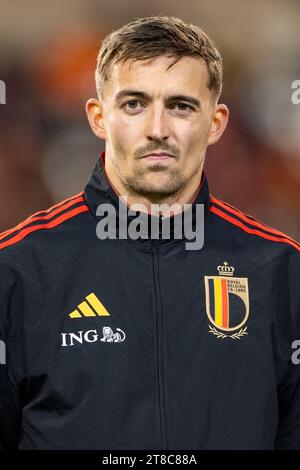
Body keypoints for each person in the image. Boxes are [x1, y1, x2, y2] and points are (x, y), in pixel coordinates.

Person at [0, 15, 299, 450]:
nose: (158, 129)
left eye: (181, 105)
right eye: (134, 104)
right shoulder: (19, 271)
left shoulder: (280, 271)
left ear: (215, 123)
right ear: (99, 117)